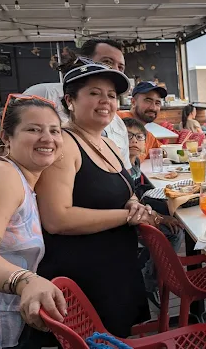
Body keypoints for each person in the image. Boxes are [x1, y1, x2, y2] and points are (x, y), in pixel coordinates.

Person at [31, 59, 166, 344]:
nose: (105, 101)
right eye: (94, 93)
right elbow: (56, 219)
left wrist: (132, 203)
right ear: (69, 100)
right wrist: (127, 216)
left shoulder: (108, 143)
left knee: (117, 337)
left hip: (115, 269)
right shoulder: (65, 145)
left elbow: (124, 189)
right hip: (84, 275)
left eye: (111, 95)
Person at [0, 96, 67, 349]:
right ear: (7, 137)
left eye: (54, 130)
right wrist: (27, 281)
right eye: (33, 129)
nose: (47, 138)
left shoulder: (24, 178)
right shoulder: (0, 174)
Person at [23, 38, 132, 172]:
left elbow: (125, 173)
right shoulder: (44, 93)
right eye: (107, 62)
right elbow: (9, 142)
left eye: (120, 67)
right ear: (83, 61)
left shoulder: (118, 126)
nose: (115, 69)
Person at [122, 117, 183, 307]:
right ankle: (150, 281)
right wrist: (159, 218)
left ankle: (147, 266)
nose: (134, 141)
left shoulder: (135, 163)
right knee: (174, 232)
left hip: (136, 211)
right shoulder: (119, 165)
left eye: (139, 137)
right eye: (128, 136)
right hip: (123, 221)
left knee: (173, 216)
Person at [117, 81, 167, 161]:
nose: (153, 108)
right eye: (148, 100)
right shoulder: (116, 119)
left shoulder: (148, 136)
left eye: (157, 103)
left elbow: (164, 151)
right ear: (133, 102)